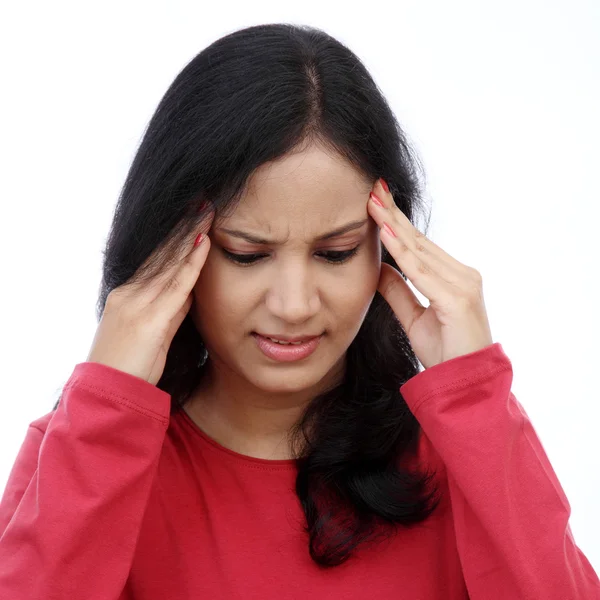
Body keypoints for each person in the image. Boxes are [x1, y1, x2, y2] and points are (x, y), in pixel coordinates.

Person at [0, 23, 598, 600]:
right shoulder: (83, 455)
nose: (294, 306)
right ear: (169, 250)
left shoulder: (461, 456)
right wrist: (108, 401)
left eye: (335, 253)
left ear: (390, 246)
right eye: (247, 254)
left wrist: (476, 402)